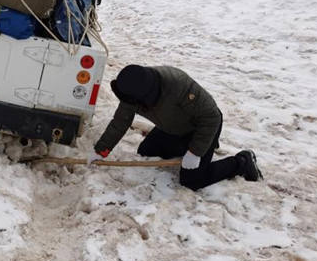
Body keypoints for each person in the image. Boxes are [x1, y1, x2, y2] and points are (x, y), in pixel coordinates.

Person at [89, 65, 262, 190]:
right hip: (173, 127)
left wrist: (195, 152)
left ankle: (242, 162)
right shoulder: (132, 91)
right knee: (147, 151)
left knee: (192, 180)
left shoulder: (178, 85)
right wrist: (101, 150)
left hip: (202, 128)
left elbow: (212, 117)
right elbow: (121, 121)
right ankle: (188, 150)